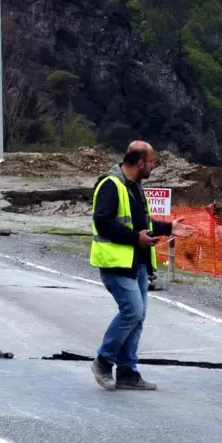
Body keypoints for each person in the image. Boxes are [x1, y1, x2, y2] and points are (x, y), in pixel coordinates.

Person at [89, 141, 192, 391]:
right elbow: (102, 222)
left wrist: (169, 228)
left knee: (138, 318)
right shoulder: (111, 185)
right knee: (132, 312)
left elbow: (142, 223)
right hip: (116, 264)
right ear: (140, 163)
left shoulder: (135, 186)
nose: (154, 165)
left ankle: (127, 371)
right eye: (152, 161)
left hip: (138, 264)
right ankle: (103, 362)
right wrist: (136, 239)